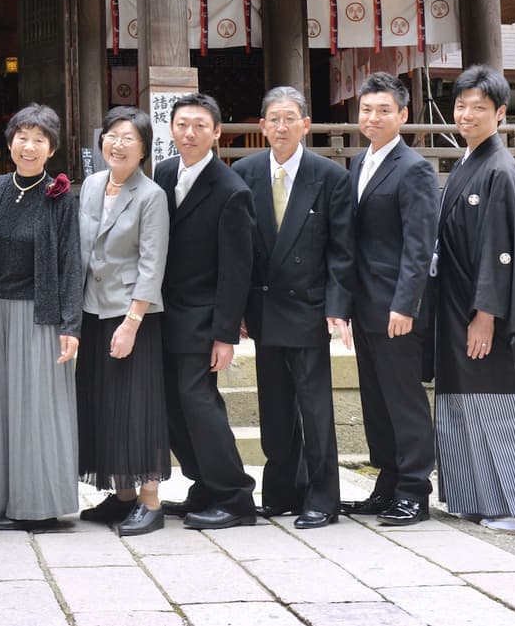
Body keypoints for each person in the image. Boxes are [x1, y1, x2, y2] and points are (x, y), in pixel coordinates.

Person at [431, 64, 515, 534]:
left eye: (479, 108)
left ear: (501, 113)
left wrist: (485, 314)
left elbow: (502, 250)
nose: (466, 115)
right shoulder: (467, 163)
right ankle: (481, 497)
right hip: (457, 303)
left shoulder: (502, 170)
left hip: (489, 308)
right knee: (467, 402)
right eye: (461, 105)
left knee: (504, 403)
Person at [233, 87, 354, 530]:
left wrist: (337, 306)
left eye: (290, 119)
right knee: (274, 406)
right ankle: (282, 490)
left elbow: (342, 250)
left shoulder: (330, 175)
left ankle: (323, 496)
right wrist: (237, 309)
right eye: (273, 119)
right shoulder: (244, 172)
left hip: (308, 306)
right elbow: (238, 250)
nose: (281, 127)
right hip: (263, 306)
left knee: (315, 407)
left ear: (305, 125)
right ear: (262, 126)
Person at [151, 94, 259, 532]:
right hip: (165, 313)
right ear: (171, 129)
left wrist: (225, 334)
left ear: (216, 132)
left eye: (200, 126)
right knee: (172, 406)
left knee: (199, 403)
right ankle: (206, 485)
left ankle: (235, 496)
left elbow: (237, 270)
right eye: (182, 125)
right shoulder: (163, 172)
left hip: (203, 317)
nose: (189, 134)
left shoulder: (232, 190)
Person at [343, 72, 439, 527]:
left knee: (403, 399)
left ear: (403, 114)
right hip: (364, 304)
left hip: (397, 306)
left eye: (384, 110)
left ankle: (415, 491)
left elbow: (420, 244)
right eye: (367, 109)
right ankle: (387, 483)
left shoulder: (414, 168)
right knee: (376, 400)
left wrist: (406, 305)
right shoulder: (357, 163)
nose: (373, 118)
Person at [0, 103, 81, 532]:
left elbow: (71, 262)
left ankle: (41, 506)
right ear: (10, 143)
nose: (29, 145)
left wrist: (71, 325)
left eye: (40, 139)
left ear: (51, 149)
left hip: (40, 316)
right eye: (22, 136)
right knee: (3, 411)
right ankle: (5, 502)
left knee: (39, 411)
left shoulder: (59, 196)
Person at [75, 106, 171, 537]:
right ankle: (123, 493)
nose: (117, 144)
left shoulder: (151, 196)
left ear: (144, 149)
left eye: (128, 138)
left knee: (137, 408)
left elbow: (152, 264)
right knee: (104, 404)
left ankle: (150, 501)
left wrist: (131, 323)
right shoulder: (93, 185)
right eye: (112, 135)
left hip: (133, 316)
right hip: (93, 311)